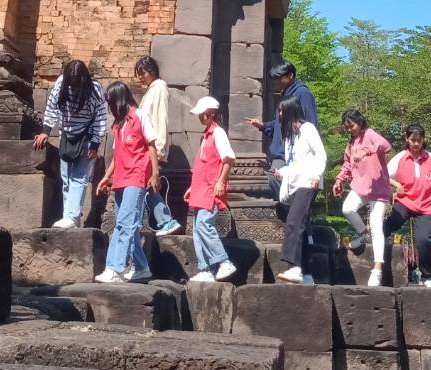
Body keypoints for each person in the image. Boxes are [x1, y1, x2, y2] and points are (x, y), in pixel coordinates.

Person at [94, 82, 157, 283]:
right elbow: (116, 155)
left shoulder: (140, 116)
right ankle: (141, 266)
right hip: (121, 178)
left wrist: (155, 173)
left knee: (124, 224)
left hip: (136, 176)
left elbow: (152, 146)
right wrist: (106, 177)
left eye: (111, 102)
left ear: (118, 100)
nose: (110, 107)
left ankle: (115, 268)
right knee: (127, 223)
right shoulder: (119, 125)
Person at [32, 59, 106, 228]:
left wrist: (95, 144)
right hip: (66, 134)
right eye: (70, 84)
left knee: (79, 177)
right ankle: (70, 217)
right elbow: (51, 107)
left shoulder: (95, 89)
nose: (73, 87)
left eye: (76, 84)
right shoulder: (60, 84)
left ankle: (71, 216)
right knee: (66, 178)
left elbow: (100, 118)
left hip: (86, 136)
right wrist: (45, 131)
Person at [332, 108, 391, 287]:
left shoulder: (370, 134)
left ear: (360, 122)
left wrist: (371, 150)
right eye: (347, 127)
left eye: (352, 125)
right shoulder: (351, 144)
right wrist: (339, 180)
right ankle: (363, 234)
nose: (350, 129)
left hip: (379, 188)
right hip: (360, 187)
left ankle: (377, 269)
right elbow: (347, 165)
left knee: (377, 226)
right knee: (347, 208)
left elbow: (386, 146)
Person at [184, 96, 238, 282]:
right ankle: (206, 268)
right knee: (197, 228)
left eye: (202, 114)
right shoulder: (206, 136)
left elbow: (229, 159)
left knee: (204, 225)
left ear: (210, 114)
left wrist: (221, 182)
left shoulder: (218, 133)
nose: (200, 117)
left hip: (211, 188)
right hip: (202, 187)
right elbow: (203, 165)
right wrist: (192, 187)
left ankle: (223, 261)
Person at [383, 124, 431, 289]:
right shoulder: (401, 156)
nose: (416, 143)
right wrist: (396, 185)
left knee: (423, 240)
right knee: (390, 225)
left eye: (419, 140)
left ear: (423, 140)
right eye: (413, 140)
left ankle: (428, 276)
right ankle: (368, 238)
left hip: (426, 205)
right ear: (407, 140)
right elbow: (384, 174)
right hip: (405, 201)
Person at [273, 94, 326, 284]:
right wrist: (282, 172)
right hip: (295, 184)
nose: (279, 114)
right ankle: (307, 273)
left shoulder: (307, 129)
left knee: (293, 223)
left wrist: (316, 175)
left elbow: (320, 154)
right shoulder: (290, 138)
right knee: (301, 227)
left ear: (289, 111)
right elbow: (296, 163)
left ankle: (293, 268)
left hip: (307, 182)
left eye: (281, 110)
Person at [247, 61, 320, 195]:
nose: (276, 82)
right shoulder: (285, 94)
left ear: (290, 75)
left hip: (293, 152)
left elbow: (310, 124)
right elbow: (279, 125)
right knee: (275, 179)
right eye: (275, 79)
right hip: (282, 151)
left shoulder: (302, 93)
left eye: (279, 78)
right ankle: (290, 210)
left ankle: (291, 210)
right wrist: (263, 126)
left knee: (280, 180)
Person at [133, 56, 180, 236]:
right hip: (147, 148)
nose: (140, 78)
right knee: (147, 185)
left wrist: (159, 150)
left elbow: (161, 120)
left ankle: (166, 220)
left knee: (149, 185)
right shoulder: (152, 90)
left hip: (152, 148)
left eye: (142, 73)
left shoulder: (159, 88)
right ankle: (163, 221)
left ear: (151, 71)